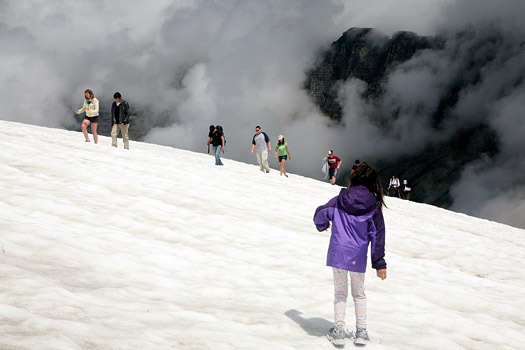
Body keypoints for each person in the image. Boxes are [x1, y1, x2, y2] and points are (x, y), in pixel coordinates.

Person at [313, 164, 387, 347]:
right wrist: (379, 263)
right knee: (359, 294)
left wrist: (322, 225)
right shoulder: (374, 206)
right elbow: (378, 235)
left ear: (354, 178)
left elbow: (321, 213)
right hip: (358, 257)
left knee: (340, 293)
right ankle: (361, 332)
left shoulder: (340, 199)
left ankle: (338, 331)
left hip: (338, 254)